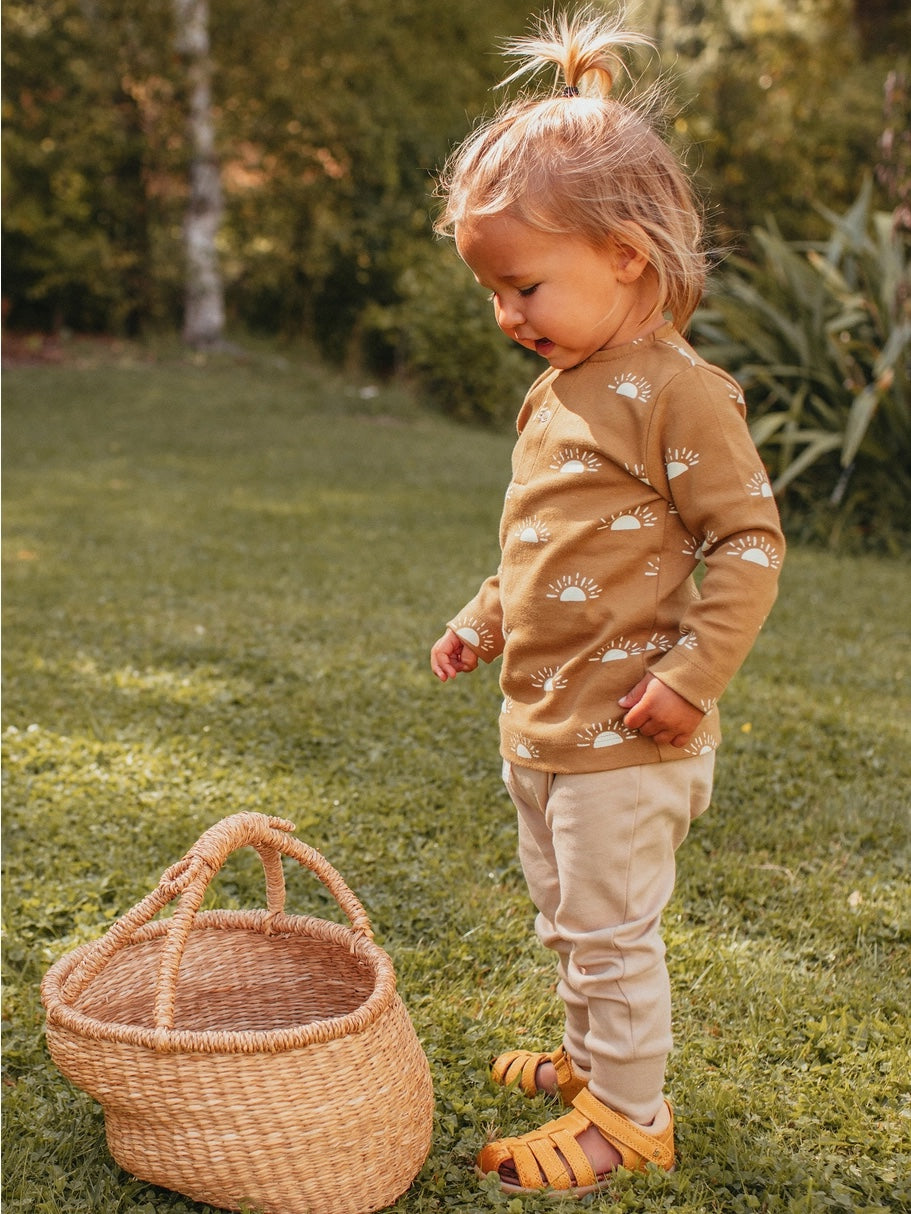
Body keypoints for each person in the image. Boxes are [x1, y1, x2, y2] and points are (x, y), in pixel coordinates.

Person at [429, 5, 785, 1199]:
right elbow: (542, 538)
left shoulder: (680, 392)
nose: (506, 317)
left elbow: (745, 539)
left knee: (609, 930)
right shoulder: (561, 391)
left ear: (625, 251)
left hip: (627, 735)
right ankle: (593, 1062)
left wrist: (688, 679)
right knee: (568, 922)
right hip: (543, 721)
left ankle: (630, 1117)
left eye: (522, 285)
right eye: (493, 291)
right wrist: (483, 615)